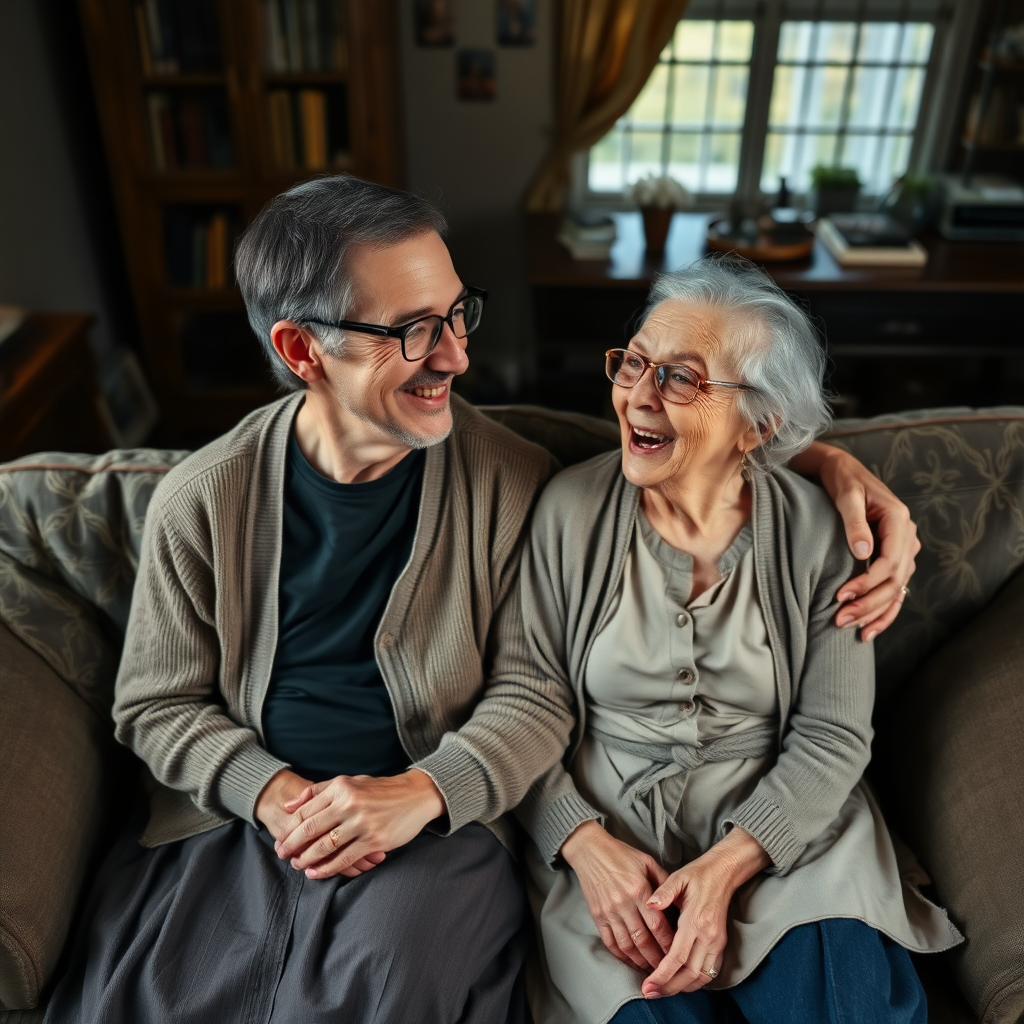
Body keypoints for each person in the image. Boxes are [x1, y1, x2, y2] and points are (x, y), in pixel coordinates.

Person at [42, 177, 919, 1024]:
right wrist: (275, 797)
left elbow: (534, 692)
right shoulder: (200, 499)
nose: (459, 355)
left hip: (442, 814)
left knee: (392, 986)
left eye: (459, 313)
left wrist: (826, 462)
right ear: (303, 351)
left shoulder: (512, 481)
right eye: (415, 330)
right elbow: (156, 704)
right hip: (233, 821)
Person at [511, 257, 962, 1024]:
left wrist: (727, 867)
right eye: (636, 364)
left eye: (682, 379)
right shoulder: (568, 512)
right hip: (614, 846)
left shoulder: (822, 532)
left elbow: (832, 734)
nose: (639, 397)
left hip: (790, 832)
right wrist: (582, 844)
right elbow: (521, 707)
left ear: (759, 425)